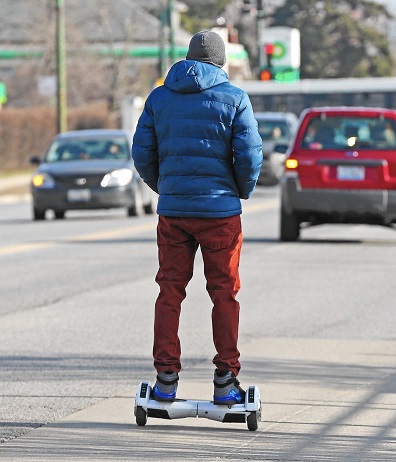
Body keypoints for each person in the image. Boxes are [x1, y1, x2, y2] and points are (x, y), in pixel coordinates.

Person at [132, 30, 263, 405]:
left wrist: (167, 187)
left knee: (170, 291)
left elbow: (142, 153)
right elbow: (250, 156)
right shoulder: (235, 98)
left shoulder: (159, 98)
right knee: (224, 293)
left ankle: (166, 379)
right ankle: (225, 379)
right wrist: (239, 191)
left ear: (187, 59)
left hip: (173, 213)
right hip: (221, 214)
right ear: (220, 63)